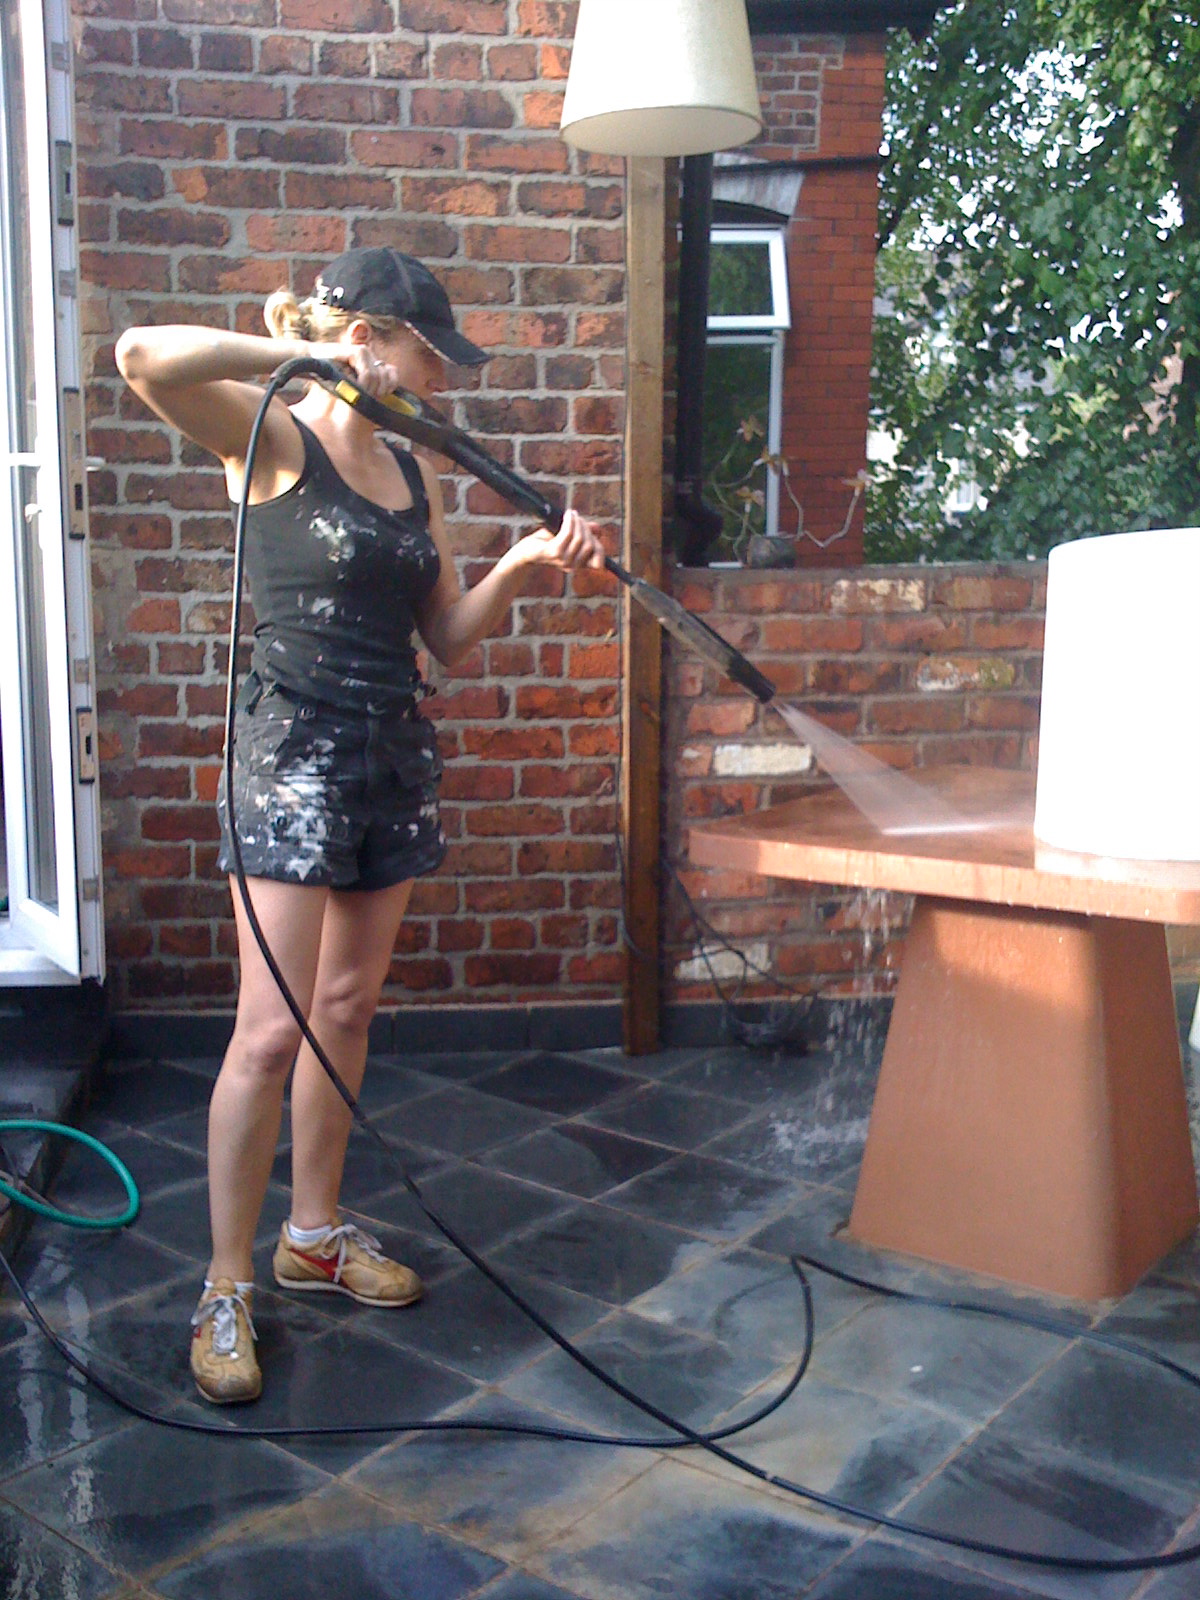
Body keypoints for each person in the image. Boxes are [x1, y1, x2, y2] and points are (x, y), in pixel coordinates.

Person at [115, 247, 606, 1404]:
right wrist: (298, 357)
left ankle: (314, 1233)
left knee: (343, 1006)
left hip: (390, 755)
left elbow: (449, 638)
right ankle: (226, 1284)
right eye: (427, 355)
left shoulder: (407, 469)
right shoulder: (269, 435)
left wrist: (523, 564)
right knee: (267, 1033)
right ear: (368, 339)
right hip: (291, 759)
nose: (439, 379)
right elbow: (140, 356)